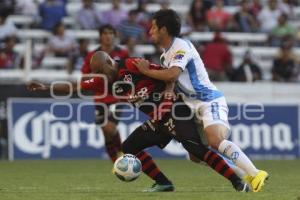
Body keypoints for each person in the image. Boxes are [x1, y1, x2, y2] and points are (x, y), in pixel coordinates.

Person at [28, 51, 249, 192]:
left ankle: (237, 182)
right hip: (157, 120)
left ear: (109, 61)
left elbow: (167, 73)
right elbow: (74, 87)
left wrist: (170, 93)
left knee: (196, 150)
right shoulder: (103, 78)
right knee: (129, 147)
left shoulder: (133, 65)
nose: (99, 76)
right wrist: (46, 87)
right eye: (96, 73)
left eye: (100, 71)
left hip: (175, 111)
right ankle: (164, 182)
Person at [133, 9, 269, 192]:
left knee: (215, 140)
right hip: (192, 107)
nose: (150, 31)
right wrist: (168, 90)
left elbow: (173, 73)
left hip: (208, 101)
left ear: (164, 30)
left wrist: (145, 71)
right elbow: (172, 79)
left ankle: (256, 173)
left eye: (154, 27)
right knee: (196, 155)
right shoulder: (166, 55)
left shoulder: (181, 46)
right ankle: (244, 175)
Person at [80, 24, 129, 163]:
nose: (108, 36)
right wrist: (98, 76)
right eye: (105, 33)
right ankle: (116, 164)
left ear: (114, 35)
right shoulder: (93, 55)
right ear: (100, 36)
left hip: (117, 97)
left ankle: (122, 153)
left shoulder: (122, 53)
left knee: (110, 127)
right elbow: (84, 76)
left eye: (111, 33)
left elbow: (128, 72)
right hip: (100, 98)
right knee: (106, 133)